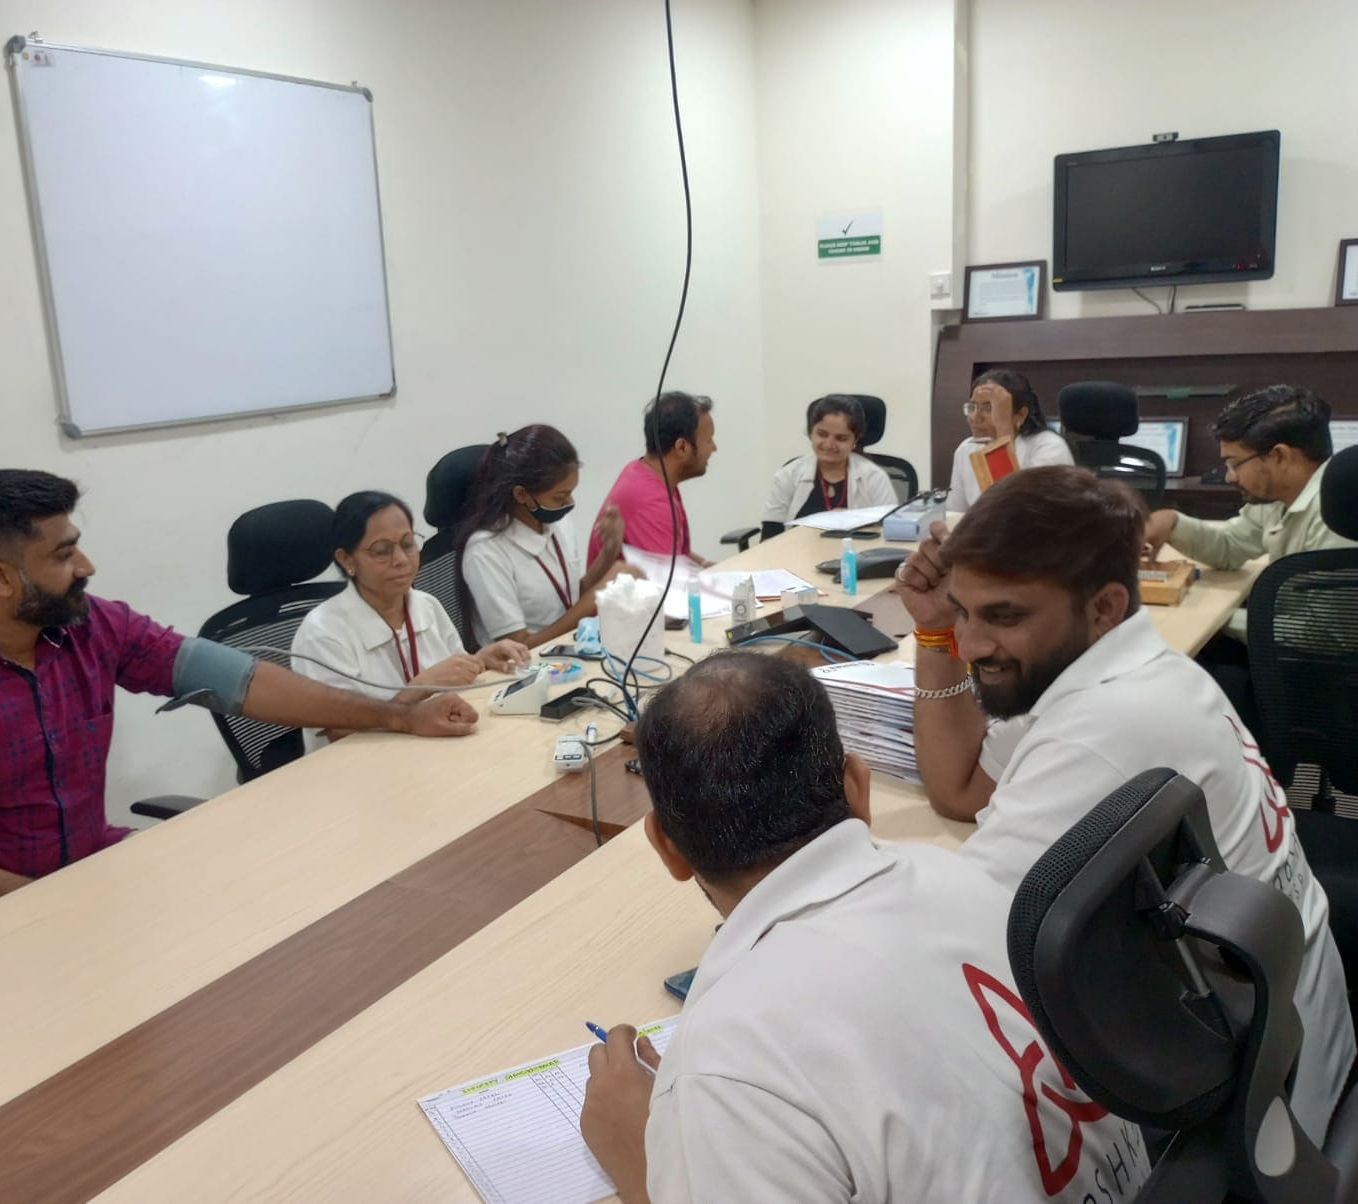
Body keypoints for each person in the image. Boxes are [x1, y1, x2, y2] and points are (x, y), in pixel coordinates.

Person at [578, 652, 1150, 1204]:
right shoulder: (966, 878)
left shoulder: (730, 1059)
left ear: (666, 848)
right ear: (858, 786)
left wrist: (643, 1168)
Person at [897, 465, 1355, 1142]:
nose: (971, 644)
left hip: (1253, 1100)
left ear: (1104, 607)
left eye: (1004, 615)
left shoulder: (1106, 729)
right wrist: (933, 634)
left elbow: (947, 949)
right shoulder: (1112, 666)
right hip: (1269, 1045)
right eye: (963, 610)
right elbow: (961, 788)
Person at [0, 470, 479, 921]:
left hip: (94, 880)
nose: (86, 567)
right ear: (0, 579)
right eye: (64, 555)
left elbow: (241, 680)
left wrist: (397, 716)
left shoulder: (91, 626)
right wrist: (75, 908)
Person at [1143, 386, 1354, 727]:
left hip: (1323, 674)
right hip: (1292, 646)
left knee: (1186, 684)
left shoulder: (1338, 514)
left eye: (1233, 463)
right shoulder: (1279, 495)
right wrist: (1173, 524)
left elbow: (1326, 633)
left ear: (1279, 456)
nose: (1229, 476)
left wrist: (1218, 621)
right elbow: (1230, 545)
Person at [290, 491, 530, 751]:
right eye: (382, 551)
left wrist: (479, 661)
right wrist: (419, 688)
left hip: (434, 749)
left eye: (407, 544)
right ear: (347, 559)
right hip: (362, 763)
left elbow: (452, 682)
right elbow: (340, 732)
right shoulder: (322, 632)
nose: (402, 560)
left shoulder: (426, 604)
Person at [457, 425, 633, 648]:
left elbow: (568, 597)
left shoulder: (558, 523)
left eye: (571, 493)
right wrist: (599, 596)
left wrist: (609, 552)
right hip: (524, 664)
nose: (569, 503)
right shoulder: (486, 551)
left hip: (567, 652)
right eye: (560, 497)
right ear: (522, 494)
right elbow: (520, 647)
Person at [588, 391, 717, 567]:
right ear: (681, 447)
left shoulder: (642, 470)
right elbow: (669, 581)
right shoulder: (651, 502)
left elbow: (673, 553)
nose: (714, 448)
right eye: (709, 440)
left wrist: (703, 564)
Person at [758, 394, 898, 539]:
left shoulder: (874, 478)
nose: (829, 444)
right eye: (822, 434)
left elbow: (891, 533)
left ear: (854, 441)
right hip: (796, 552)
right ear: (811, 433)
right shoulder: (787, 476)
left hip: (857, 552)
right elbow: (770, 536)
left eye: (841, 438)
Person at [945, 369, 1074, 516]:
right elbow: (956, 513)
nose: (975, 417)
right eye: (972, 407)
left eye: (988, 408)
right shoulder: (966, 448)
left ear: (1021, 415)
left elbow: (1016, 512)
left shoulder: (1050, 448)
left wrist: (1003, 429)